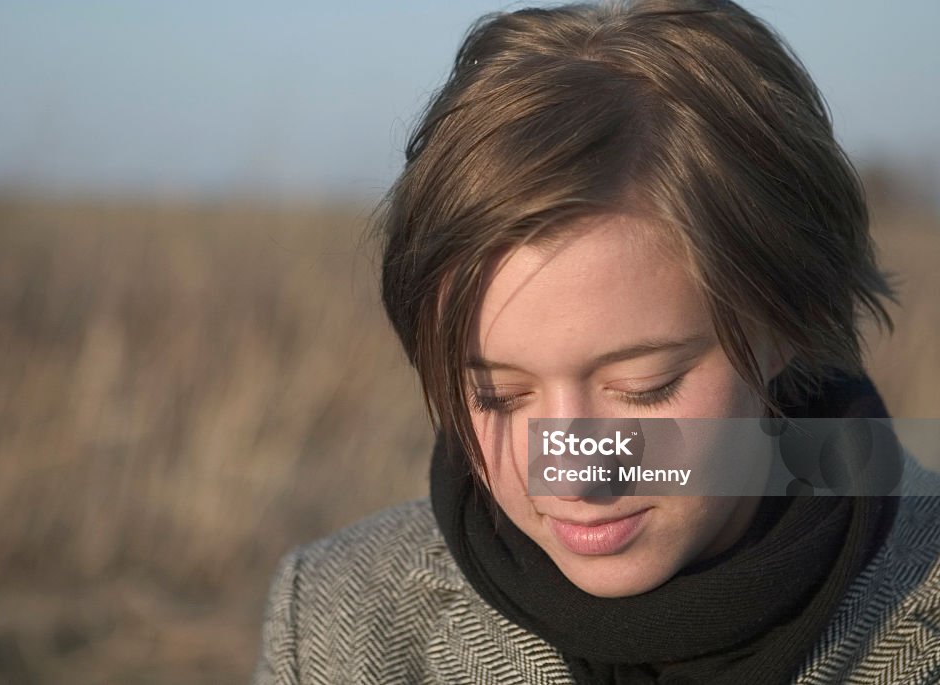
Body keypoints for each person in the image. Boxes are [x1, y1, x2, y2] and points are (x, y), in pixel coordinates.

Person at [254, 1, 940, 683]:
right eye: (498, 394)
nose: (573, 473)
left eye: (644, 387)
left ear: (789, 317)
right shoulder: (335, 620)